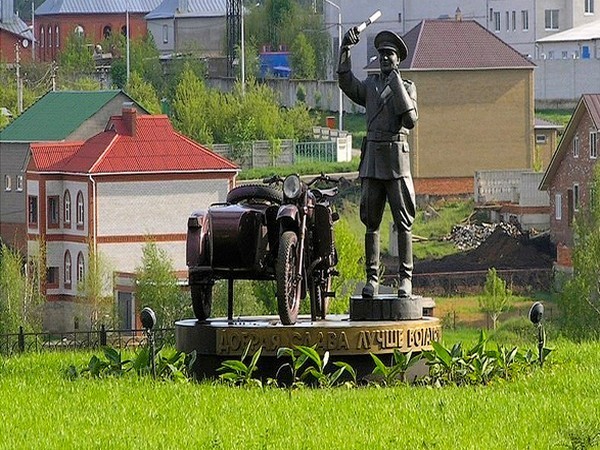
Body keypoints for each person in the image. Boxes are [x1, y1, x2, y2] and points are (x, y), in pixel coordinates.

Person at [338, 27, 418, 298]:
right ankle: (371, 279)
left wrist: (396, 83)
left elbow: (410, 120)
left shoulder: (406, 87)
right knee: (371, 222)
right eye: (381, 54)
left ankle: (405, 279)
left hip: (396, 161)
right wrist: (345, 50)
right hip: (373, 159)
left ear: (398, 60)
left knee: (403, 222)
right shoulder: (370, 87)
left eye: (390, 55)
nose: (384, 59)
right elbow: (347, 82)